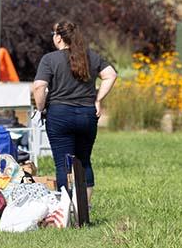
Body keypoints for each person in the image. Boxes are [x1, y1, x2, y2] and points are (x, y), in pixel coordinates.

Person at [31, 19, 118, 207]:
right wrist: (97, 99)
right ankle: (83, 211)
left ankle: (67, 211)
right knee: (84, 161)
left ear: (60, 37)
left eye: (54, 34)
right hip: (87, 115)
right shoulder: (91, 57)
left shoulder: (50, 59)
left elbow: (39, 86)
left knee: (63, 164)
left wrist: (40, 108)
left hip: (59, 115)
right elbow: (111, 75)